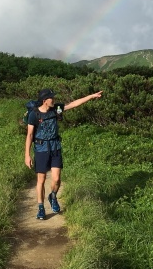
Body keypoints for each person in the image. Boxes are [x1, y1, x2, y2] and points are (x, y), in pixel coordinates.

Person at [24, 87, 103, 220]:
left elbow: (73, 104)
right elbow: (30, 134)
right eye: (51, 98)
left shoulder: (56, 109)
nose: (54, 99)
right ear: (45, 100)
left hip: (55, 147)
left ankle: (53, 196)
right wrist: (27, 155)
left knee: (56, 179)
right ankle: (41, 208)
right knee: (41, 180)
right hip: (41, 148)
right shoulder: (34, 115)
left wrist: (91, 96)